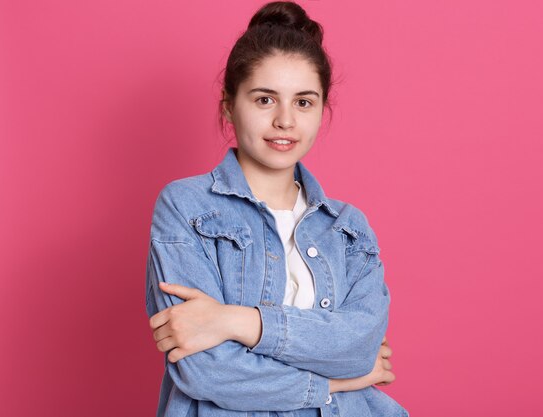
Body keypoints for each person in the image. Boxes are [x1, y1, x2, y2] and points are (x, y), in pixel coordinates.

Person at [145, 2, 408, 416]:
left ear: (323, 109)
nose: (285, 120)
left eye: (304, 102)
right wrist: (339, 380)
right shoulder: (186, 207)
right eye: (265, 99)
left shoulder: (347, 229)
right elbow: (205, 371)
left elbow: (359, 347)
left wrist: (236, 322)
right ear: (228, 105)